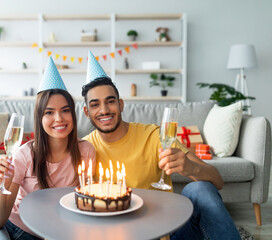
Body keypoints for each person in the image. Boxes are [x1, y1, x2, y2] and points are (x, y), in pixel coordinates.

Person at [81, 50, 240, 240]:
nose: (104, 110)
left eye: (110, 101)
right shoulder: (84, 149)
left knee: (200, 190)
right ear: (86, 112)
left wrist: (190, 168)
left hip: (164, 235)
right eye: (95, 104)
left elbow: (217, 181)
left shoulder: (154, 135)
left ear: (121, 104)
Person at [0, 57, 95, 240]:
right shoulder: (25, 154)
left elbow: (84, 205)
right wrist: (1, 183)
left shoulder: (86, 151)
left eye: (65, 110)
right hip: (13, 226)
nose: (59, 118)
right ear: (39, 119)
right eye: (49, 112)